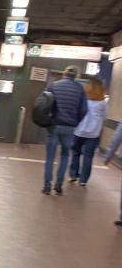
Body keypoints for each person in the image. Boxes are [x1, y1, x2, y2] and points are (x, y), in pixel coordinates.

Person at [43, 65, 87, 195]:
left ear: (64, 74)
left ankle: (46, 186)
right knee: (65, 155)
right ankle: (58, 185)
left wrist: (48, 118)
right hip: (69, 128)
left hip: (54, 125)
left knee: (50, 157)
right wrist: (76, 122)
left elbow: (43, 102)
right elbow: (84, 110)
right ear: (76, 77)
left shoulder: (53, 86)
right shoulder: (80, 89)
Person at [69, 75, 108, 186]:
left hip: (79, 130)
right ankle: (83, 180)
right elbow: (104, 117)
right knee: (88, 157)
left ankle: (73, 175)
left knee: (76, 153)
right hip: (93, 133)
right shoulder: (102, 103)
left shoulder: (83, 100)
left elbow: (76, 113)